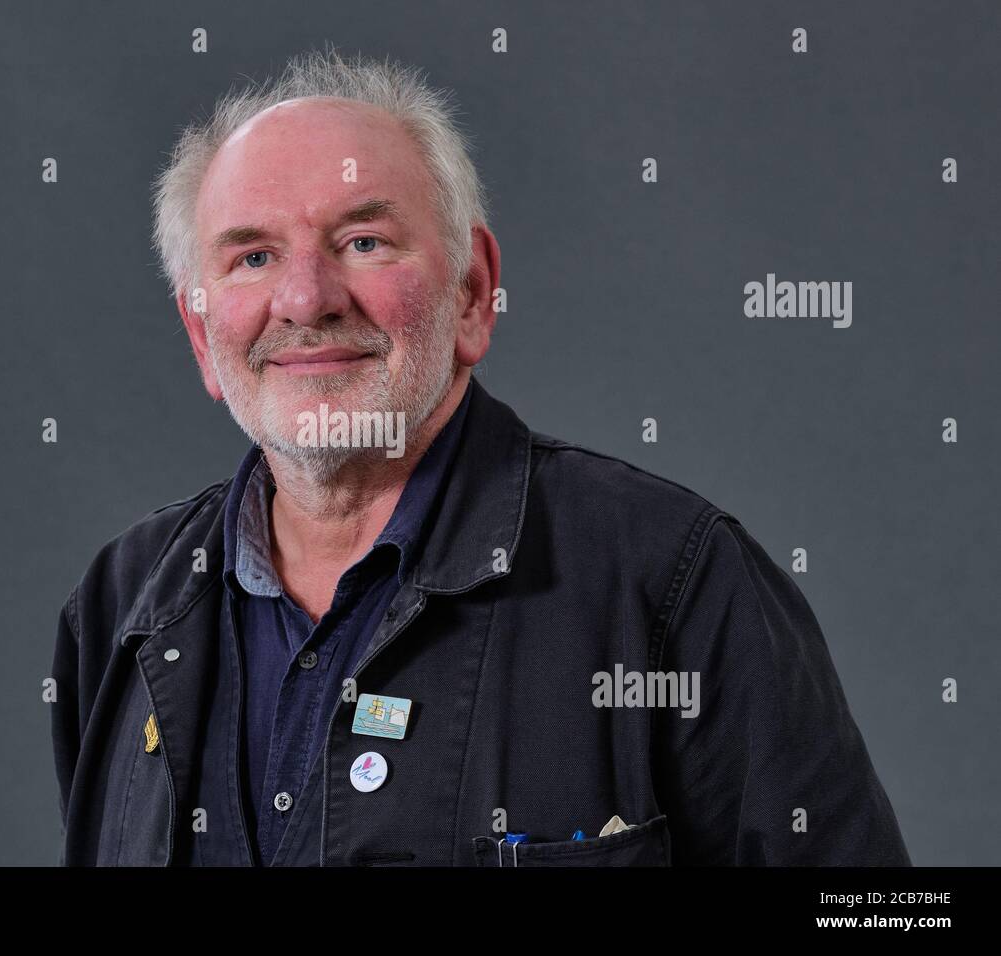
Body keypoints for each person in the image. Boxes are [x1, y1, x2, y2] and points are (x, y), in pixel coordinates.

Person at [50, 47, 911, 866]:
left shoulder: (670, 582)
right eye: (254, 256)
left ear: (471, 294)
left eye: (364, 242)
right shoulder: (121, 609)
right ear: (203, 336)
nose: (305, 298)